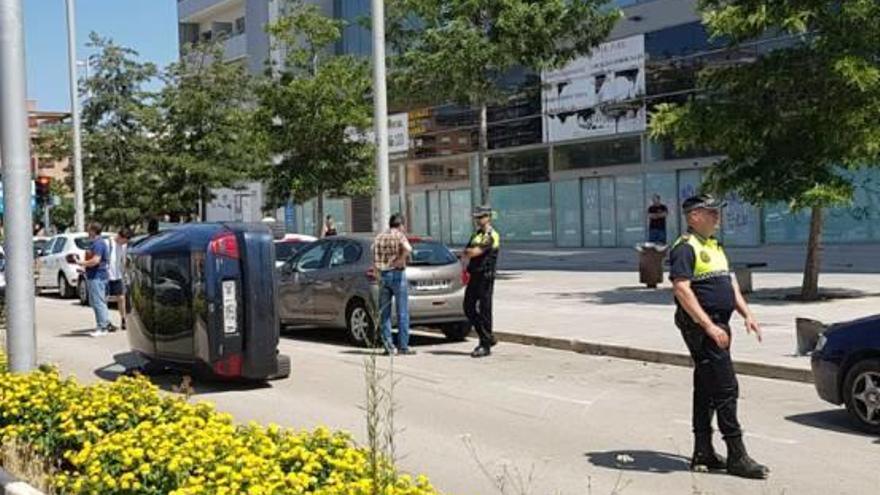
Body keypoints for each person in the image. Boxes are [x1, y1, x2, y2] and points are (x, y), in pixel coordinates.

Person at [670, 194, 769, 479]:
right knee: (726, 388)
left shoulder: (714, 245)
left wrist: (746, 314)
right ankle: (737, 455)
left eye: (717, 212)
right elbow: (682, 290)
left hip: (719, 323)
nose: (717, 216)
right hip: (703, 328)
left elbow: (730, 282)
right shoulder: (685, 248)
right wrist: (708, 326)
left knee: (706, 387)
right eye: (710, 212)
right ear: (693, 217)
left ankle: (703, 452)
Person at [373, 213, 414, 355]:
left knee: (384, 313)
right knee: (402, 312)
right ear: (401, 225)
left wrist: (378, 272)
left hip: (383, 275)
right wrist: (400, 259)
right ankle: (403, 346)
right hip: (397, 274)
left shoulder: (379, 237)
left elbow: (374, 254)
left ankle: (388, 346)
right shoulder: (399, 236)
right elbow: (409, 249)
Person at [463, 206, 501, 358]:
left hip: (485, 276)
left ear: (488, 217)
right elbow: (466, 251)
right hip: (474, 275)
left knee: (485, 310)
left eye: (480, 217)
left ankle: (485, 344)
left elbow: (474, 252)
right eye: (476, 217)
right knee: (468, 307)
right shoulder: (476, 234)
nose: (477, 220)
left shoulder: (492, 235)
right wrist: (469, 252)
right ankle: (487, 336)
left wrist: (470, 252)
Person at [77, 222, 111, 337]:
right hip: (94, 275)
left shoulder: (98, 243)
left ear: (93, 230)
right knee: (97, 301)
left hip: (97, 276)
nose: (87, 231)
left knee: (98, 302)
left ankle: (102, 327)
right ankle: (104, 323)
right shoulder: (96, 243)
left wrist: (82, 263)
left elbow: (96, 260)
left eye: (88, 228)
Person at [107, 228, 133, 331]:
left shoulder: (124, 246)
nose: (124, 243)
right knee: (104, 299)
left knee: (121, 298)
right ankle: (106, 321)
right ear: (120, 237)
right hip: (107, 275)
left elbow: (124, 259)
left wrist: (126, 270)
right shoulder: (108, 242)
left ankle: (123, 319)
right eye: (124, 241)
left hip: (118, 275)